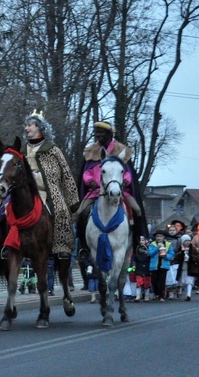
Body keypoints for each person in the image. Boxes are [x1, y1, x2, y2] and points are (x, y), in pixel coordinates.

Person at [76, 121, 148, 260]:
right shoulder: (91, 151)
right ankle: (83, 246)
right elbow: (87, 172)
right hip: (97, 191)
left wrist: (123, 182)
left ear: (109, 134)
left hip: (119, 190)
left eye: (101, 133)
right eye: (97, 133)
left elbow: (127, 173)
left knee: (137, 210)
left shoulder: (121, 151)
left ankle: (139, 243)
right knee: (80, 212)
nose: (99, 136)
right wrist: (89, 181)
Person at [21, 110, 80, 277]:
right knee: (4, 211)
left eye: (30, 125)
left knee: (61, 212)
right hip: (25, 190)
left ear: (39, 127)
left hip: (46, 190)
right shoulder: (21, 149)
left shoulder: (52, 149)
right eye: (26, 125)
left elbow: (66, 174)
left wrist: (72, 200)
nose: (27, 128)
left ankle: (61, 248)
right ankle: (5, 246)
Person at [172, 234, 199, 301]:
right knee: (182, 280)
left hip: (190, 267)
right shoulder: (180, 249)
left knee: (189, 281)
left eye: (188, 241)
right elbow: (177, 258)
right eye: (186, 241)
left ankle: (189, 294)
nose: (187, 242)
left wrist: (190, 258)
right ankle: (180, 289)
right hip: (182, 267)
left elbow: (197, 257)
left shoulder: (193, 248)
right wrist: (181, 254)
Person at [149, 229, 175, 301]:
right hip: (154, 266)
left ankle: (161, 296)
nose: (159, 238)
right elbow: (150, 253)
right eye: (157, 236)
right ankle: (156, 293)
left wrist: (166, 256)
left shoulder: (168, 244)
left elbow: (172, 253)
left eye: (160, 236)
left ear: (163, 237)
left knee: (162, 281)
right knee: (154, 281)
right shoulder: (152, 244)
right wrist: (157, 248)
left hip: (163, 265)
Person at [131, 236, 152, 302]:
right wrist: (134, 265)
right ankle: (138, 296)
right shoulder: (137, 249)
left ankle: (147, 295)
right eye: (140, 240)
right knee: (139, 282)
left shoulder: (149, 249)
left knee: (147, 283)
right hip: (139, 267)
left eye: (143, 240)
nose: (141, 242)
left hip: (147, 267)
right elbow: (134, 258)